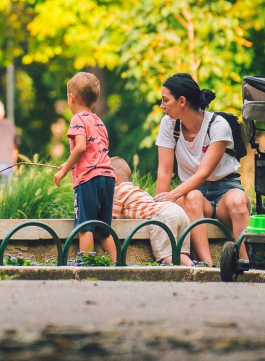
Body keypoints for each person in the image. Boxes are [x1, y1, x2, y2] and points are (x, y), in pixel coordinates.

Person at [153, 73, 250, 263]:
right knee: (193, 197)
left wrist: (173, 195)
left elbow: (204, 172)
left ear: (182, 101)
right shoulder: (168, 124)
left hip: (226, 190)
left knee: (238, 202)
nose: (161, 106)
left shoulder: (218, 125)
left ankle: (246, 263)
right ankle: (207, 267)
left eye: (165, 100)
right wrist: (159, 208)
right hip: (193, 193)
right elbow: (164, 171)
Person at [53, 72, 117, 259]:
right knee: (104, 230)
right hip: (107, 177)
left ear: (71, 98)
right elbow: (97, 150)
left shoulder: (77, 119)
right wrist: (70, 162)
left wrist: (64, 171)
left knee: (85, 227)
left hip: (88, 180)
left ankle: (87, 266)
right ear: (94, 101)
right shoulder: (99, 121)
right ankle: (117, 264)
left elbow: (81, 147)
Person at [111, 157, 193, 266]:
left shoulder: (117, 191)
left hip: (163, 215)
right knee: (180, 252)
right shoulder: (134, 190)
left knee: (166, 254)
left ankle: (181, 274)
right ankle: (195, 269)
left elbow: (112, 216)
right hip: (177, 211)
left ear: (114, 178)